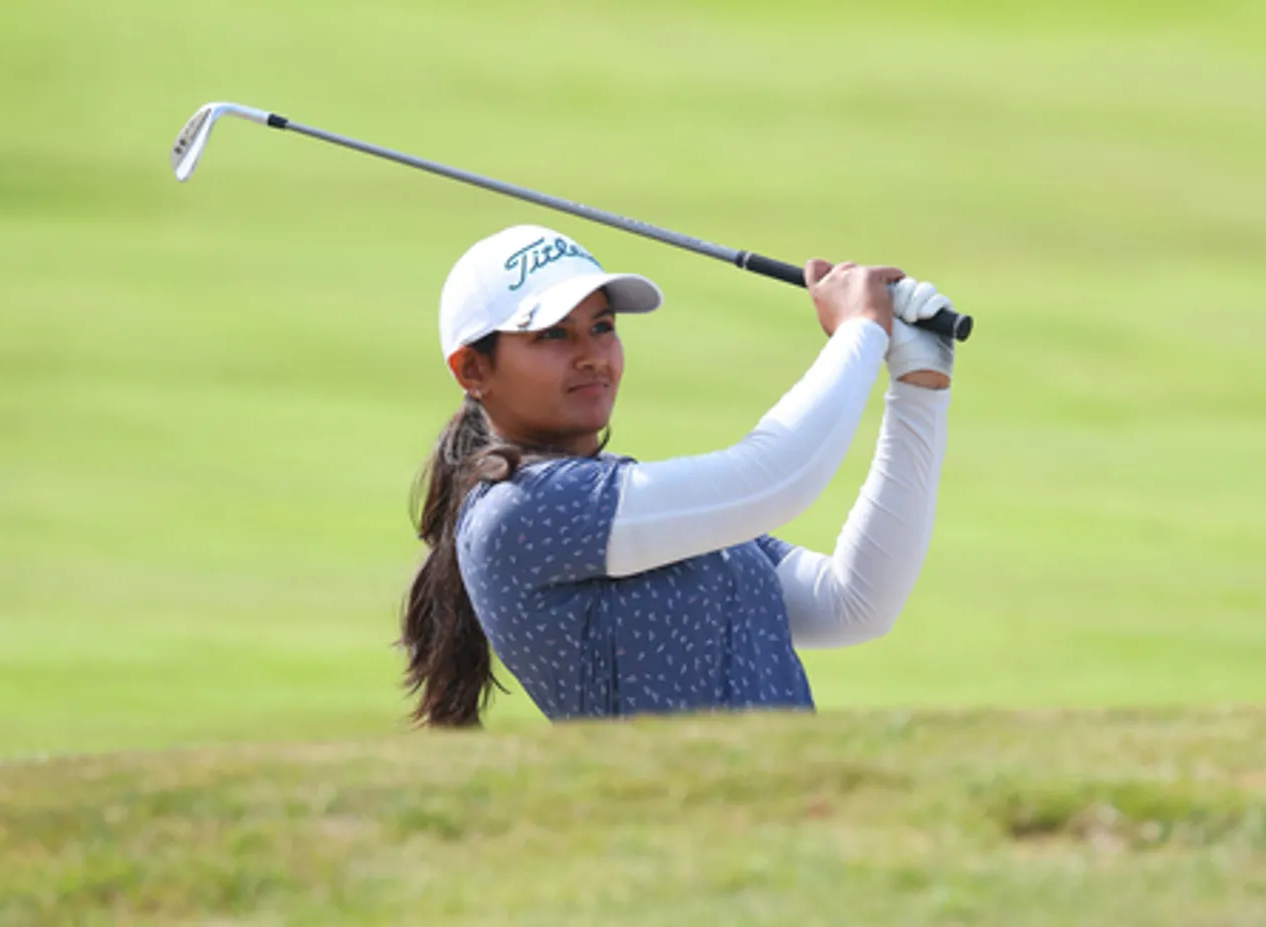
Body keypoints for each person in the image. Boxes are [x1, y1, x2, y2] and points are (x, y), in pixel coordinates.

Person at [398, 223, 955, 727]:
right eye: (552, 335)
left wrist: (919, 388)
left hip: (785, 821)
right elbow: (775, 477)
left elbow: (853, 603)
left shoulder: (619, 492)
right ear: (473, 369)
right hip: (683, 828)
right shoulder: (521, 509)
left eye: (602, 327)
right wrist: (858, 331)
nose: (593, 355)